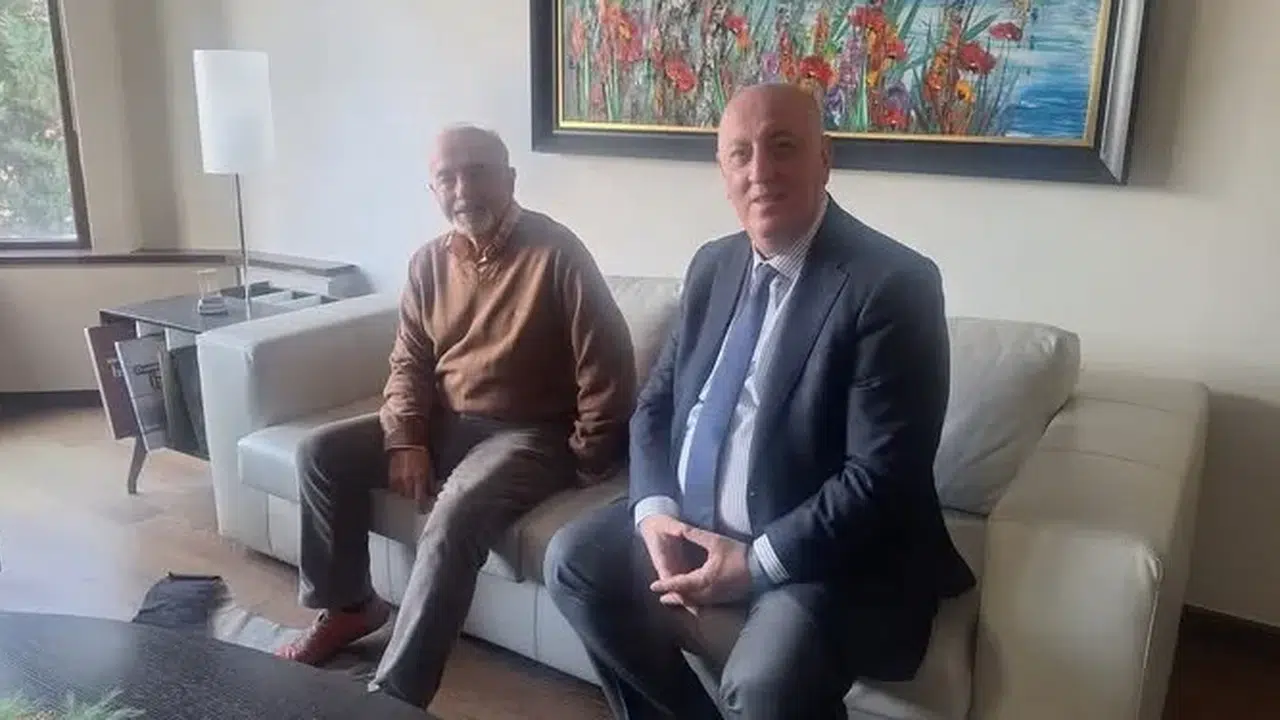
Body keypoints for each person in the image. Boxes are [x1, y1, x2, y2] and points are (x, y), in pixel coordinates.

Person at [542, 83, 977, 720]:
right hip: (694, 519)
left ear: (824, 158)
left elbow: (883, 476)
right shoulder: (713, 265)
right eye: (740, 154)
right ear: (722, 171)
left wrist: (755, 562)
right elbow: (657, 405)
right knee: (573, 562)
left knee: (764, 685)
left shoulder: (892, 284)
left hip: (824, 550)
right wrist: (655, 514)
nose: (760, 172)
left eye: (783, 147)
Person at [276, 124, 637, 709]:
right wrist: (405, 437)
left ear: (510, 179)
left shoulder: (557, 253)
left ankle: (396, 697)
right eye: (448, 177)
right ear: (434, 190)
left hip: (530, 434)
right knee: (320, 454)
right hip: (447, 423)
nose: (464, 189)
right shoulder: (427, 264)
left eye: (478, 172)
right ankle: (348, 607)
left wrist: (588, 460)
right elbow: (409, 364)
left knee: (456, 514)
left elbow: (610, 367)